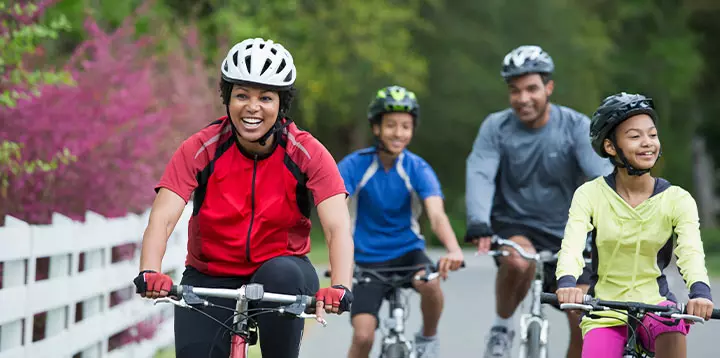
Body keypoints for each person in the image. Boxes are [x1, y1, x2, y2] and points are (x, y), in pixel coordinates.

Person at [131, 37, 355, 358]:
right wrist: (150, 270)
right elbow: (163, 217)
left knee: (280, 276)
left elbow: (336, 227)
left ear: (281, 104)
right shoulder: (201, 147)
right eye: (241, 95)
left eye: (265, 97)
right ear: (227, 99)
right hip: (210, 275)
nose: (252, 107)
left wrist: (341, 285)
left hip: (283, 270)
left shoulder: (307, 152)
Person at [464, 45, 614, 358]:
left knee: (584, 322)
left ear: (548, 87)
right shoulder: (496, 127)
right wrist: (478, 220)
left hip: (570, 232)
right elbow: (481, 173)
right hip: (515, 225)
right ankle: (502, 326)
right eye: (514, 91)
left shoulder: (574, 126)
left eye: (531, 89)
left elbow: (602, 177)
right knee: (518, 261)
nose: (523, 99)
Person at [555, 92, 715, 358]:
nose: (647, 143)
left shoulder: (677, 199)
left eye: (652, 135)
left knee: (672, 329)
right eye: (634, 136)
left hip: (657, 307)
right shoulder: (589, 194)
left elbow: (690, 253)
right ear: (610, 147)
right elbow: (571, 246)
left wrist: (700, 292)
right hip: (605, 310)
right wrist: (567, 283)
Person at [337, 85, 465, 358]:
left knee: (431, 283)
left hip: (408, 252)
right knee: (363, 336)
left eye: (406, 126)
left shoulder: (417, 167)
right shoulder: (354, 165)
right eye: (391, 125)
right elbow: (337, 211)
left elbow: (437, 215)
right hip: (367, 258)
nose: (398, 133)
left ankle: (428, 338)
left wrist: (453, 249)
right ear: (376, 128)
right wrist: (341, 259)